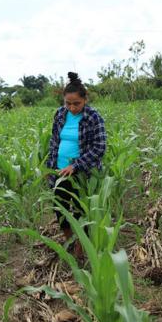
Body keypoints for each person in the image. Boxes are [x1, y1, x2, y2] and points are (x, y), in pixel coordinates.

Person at [46, 72, 107, 256]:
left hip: (82, 174)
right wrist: (51, 167)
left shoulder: (93, 117)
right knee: (60, 208)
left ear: (85, 99)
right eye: (68, 103)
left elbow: (99, 147)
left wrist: (76, 165)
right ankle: (70, 240)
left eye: (76, 104)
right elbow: (54, 141)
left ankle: (81, 249)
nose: (72, 108)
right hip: (60, 172)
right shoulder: (60, 114)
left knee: (81, 211)